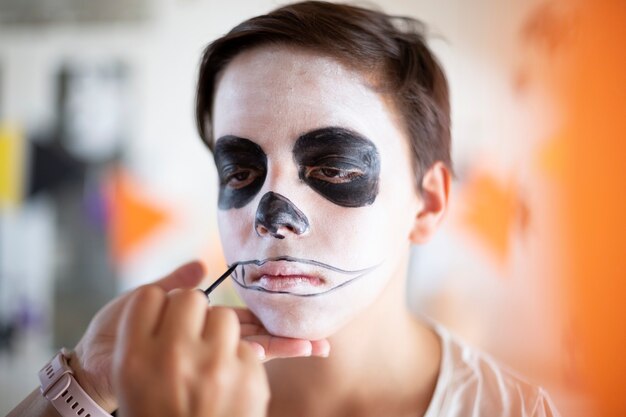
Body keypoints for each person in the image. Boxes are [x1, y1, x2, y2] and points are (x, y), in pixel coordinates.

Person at [8, 2, 561, 416]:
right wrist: (81, 382)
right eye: (241, 173)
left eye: (334, 169)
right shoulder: (144, 389)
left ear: (428, 205)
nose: (272, 215)